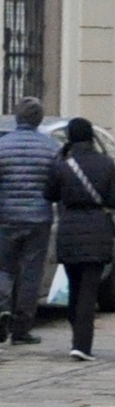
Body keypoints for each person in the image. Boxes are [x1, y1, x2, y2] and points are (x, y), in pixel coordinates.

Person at [0, 96, 59, 344]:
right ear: (39, 119)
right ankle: (21, 328)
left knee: (2, 267)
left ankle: (2, 305)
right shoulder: (51, 148)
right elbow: (58, 183)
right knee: (31, 273)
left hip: (7, 218)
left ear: (17, 117)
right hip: (38, 219)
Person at [50, 117, 115, 361]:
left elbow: (50, 193)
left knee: (74, 286)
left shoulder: (63, 165)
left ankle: (77, 335)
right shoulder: (107, 164)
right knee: (89, 288)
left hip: (68, 229)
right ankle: (81, 344)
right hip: (98, 230)